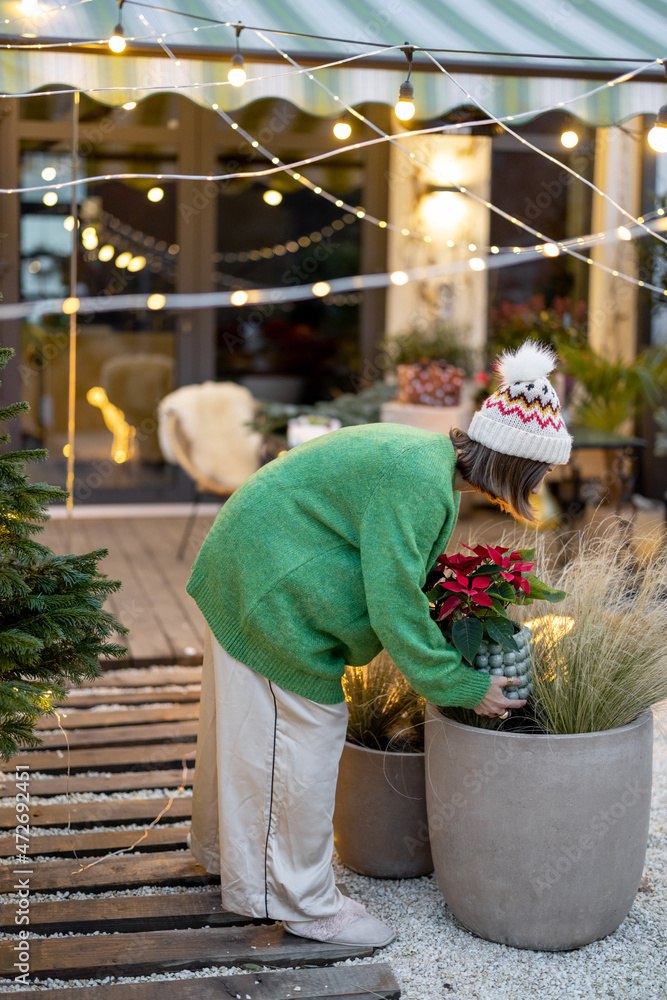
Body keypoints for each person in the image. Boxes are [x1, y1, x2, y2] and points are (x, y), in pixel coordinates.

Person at [186, 339, 572, 948]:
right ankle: (304, 904)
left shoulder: (428, 465)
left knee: (249, 734)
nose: (545, 481)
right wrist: (462, 685)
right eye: (542, 469)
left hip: (250, 567)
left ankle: (229, 859)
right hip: (268, 591)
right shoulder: (420, 481)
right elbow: (394, 604)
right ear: (516, 463)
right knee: (302, 736)